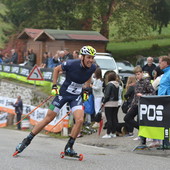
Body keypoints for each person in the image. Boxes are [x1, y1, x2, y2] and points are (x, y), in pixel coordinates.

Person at [14, 45, 97, 156]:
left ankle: (69, 147)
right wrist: (54, 86)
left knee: (80, 120)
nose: (90, 60)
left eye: (92, 57)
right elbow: (56, 69)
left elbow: (88, 76)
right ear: (82, 57)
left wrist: (86, 89)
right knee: (48, 118)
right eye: (88, 57)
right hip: (63, 95)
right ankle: (26, 140)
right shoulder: (72, 64)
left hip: (76, 96)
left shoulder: (92, 67)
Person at [124, 66, 155, 147]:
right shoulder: (137, 83)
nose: (137, 76)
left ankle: (143, 140)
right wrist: (131, 106)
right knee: (127, 118)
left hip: (143, 104)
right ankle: (141, 129)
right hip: (136, 104)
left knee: (142, 121)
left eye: (138, 74)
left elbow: (153, 93)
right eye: (136, 75)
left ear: (142, 73)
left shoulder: (146, 82)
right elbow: (135, 96)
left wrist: (143, 95)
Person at [149, 55, 170, 148]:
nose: (158, 64)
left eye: (160, 62)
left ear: (165, 63)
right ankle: (165, 142)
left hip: (167, 101)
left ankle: (166, 142)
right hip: (162, 100)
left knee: (166, 122)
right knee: (164, 122)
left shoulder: (169, 73)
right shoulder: (165, 74)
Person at [102, 71, 119, 139]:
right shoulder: (117, 85)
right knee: (114, 118)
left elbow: (107, 95)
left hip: (109, 103)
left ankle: (108, 133)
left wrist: (103, 102)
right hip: (115, 103)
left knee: (109, 118)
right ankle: (113, 132)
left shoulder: (109, 85)